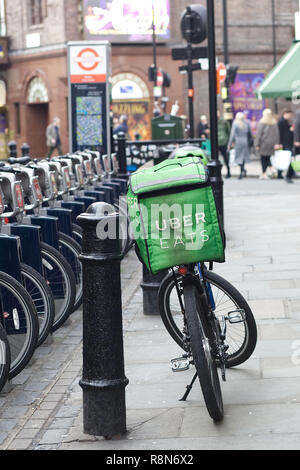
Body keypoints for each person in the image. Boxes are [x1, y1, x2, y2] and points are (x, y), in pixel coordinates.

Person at [255, 108, 280, 180]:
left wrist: (257, 144)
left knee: (263, 158)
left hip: (263, 143)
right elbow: (277, 134)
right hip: (272, 143)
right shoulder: (274, 122)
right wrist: (276, 143)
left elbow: (259, 134)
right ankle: (270, 168)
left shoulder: (262, 122)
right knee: (268, 157)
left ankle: (264, 173)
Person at [228, 112, 253, 179]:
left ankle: (241, 171)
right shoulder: (247, 123)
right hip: (245, 141)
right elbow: (250, 133)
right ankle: (243, 170)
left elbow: (232, 135)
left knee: (238, 157)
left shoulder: (235, 123)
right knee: (243, 157)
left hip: (238, 141)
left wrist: (229, 144)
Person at [278, 109, 294, 180]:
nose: (290, 116)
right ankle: (279, 172)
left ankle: (281, 172)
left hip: (288, 142)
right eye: (289, 114)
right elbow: (280, 133)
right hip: (284, 143)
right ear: (285, 113)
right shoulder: (281, 122)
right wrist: (280, 143)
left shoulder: (286, 122)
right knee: (284, 158)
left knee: (286, 158)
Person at [286, 108, 300, 183]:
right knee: (295, 158)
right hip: (299, 141)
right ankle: (288, 175)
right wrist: (297, 140)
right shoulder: (299, 113)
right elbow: (297, 127)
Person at [217, 110, 231, 178]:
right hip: (216, 143)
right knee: (215, 159)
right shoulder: (213, 121)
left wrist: (228, 141)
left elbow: (229, 131)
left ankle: (228, 171)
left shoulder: (224, 122)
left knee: (225, 158)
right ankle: (217, 172)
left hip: (223, 142)